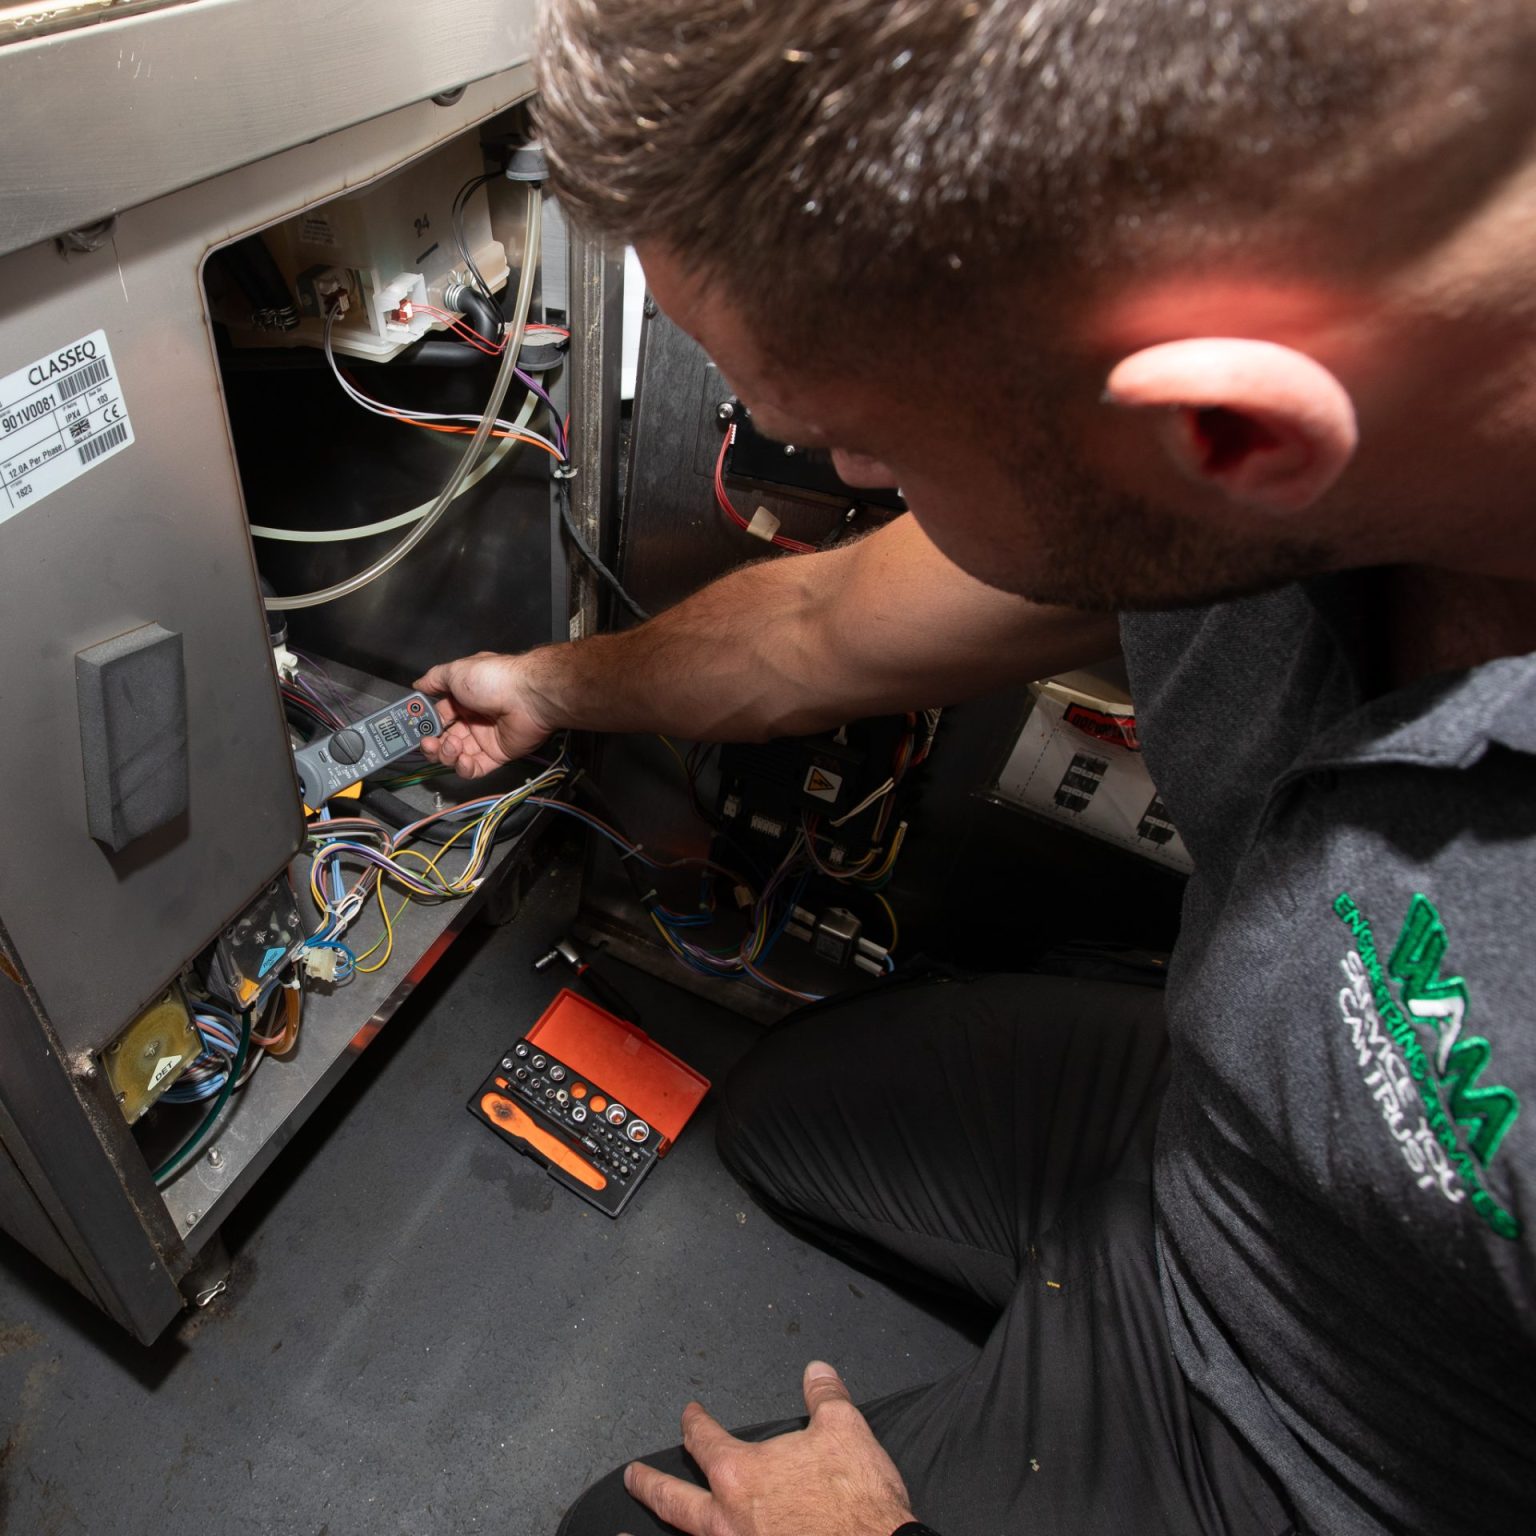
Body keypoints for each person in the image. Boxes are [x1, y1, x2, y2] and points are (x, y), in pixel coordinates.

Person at [416, 3, 1536, 1532]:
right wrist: (550, 686)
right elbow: (814, 632)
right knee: (778, 1107)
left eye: (862, 439)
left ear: (1221, 432)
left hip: (1333, 1446)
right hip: (1209, 1126)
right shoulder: (1264, 460)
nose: (846, 477)